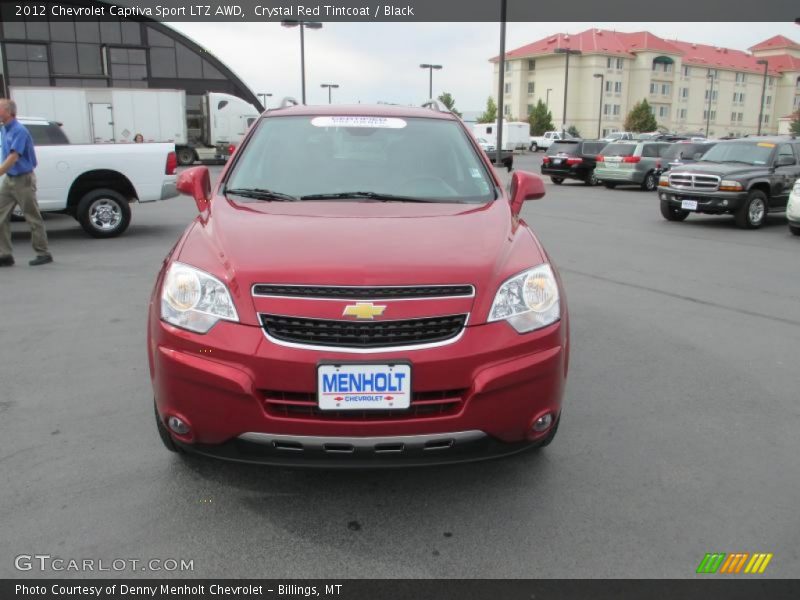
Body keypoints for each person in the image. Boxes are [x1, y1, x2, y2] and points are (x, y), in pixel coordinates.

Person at [0, 98, 52, 267]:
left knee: (31, 216)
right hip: (9, 179)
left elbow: (14, 156)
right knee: (0, 216)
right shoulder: (4, 129)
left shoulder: (19, 130)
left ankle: (43, 253)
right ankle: (5, 254)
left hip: (23, 179)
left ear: (9, 112)